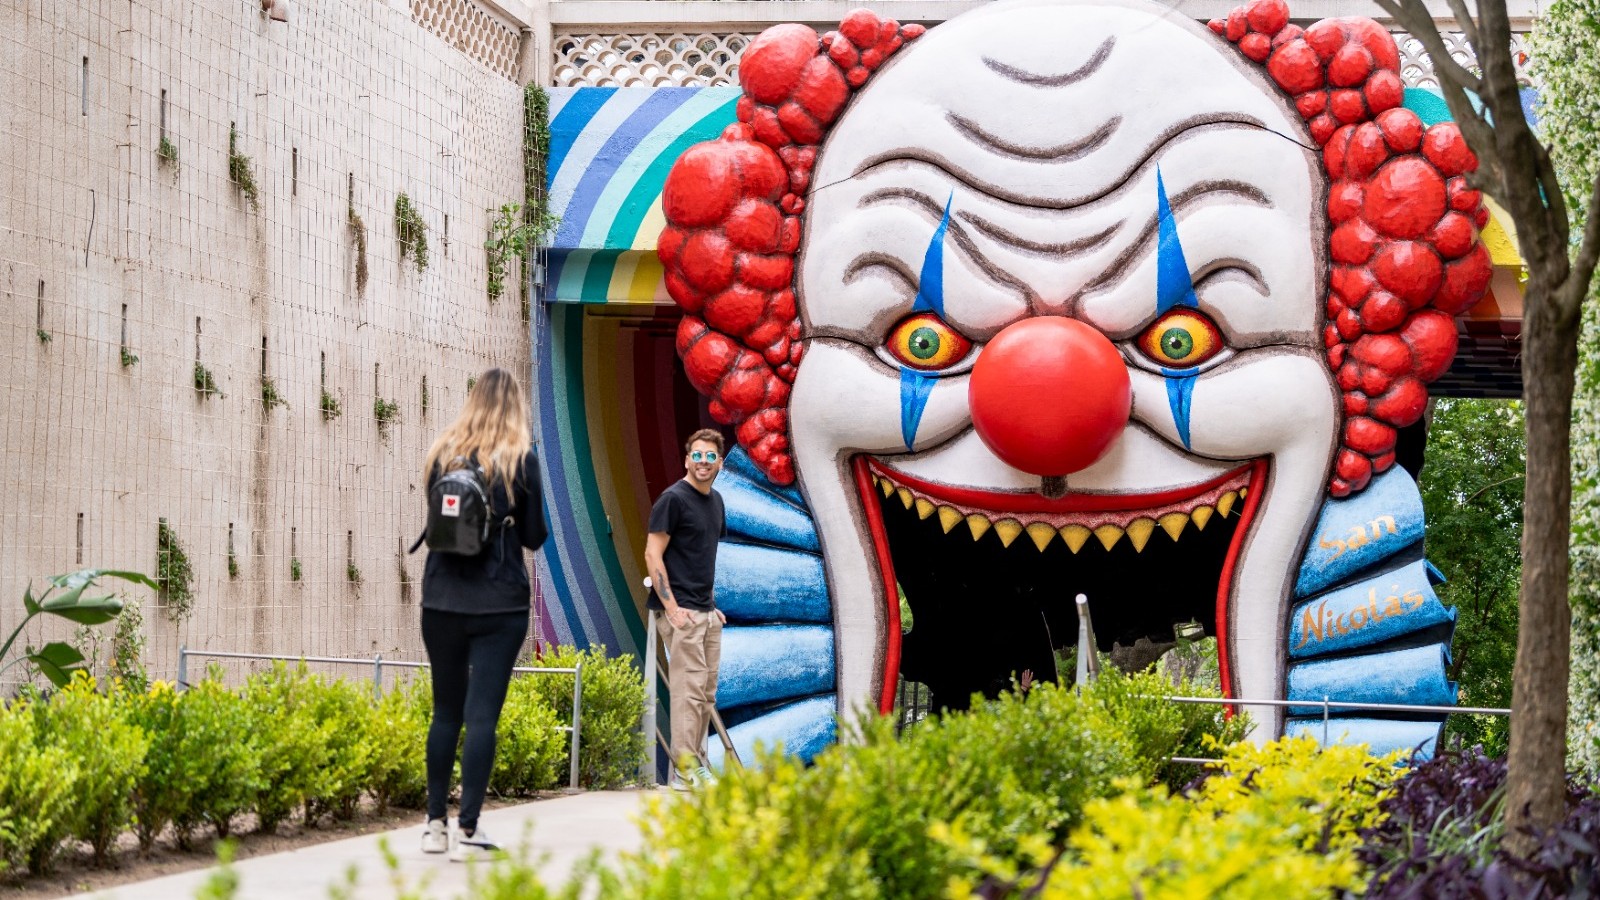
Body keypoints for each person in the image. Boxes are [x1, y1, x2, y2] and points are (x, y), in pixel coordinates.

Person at [417, 368, 548, 861]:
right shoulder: (521, 459)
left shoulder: (441, 454)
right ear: (515, 406)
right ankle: (468, 829)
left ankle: (434, 825)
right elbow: (534, 537)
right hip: (499, 604)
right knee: (482, 717)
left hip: (441, 599)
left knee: (445, 712)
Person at [644, 428, 728, 789]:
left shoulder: (716, 502)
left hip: (705, 613)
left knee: (705, 693)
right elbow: (653, 554)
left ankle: (696, 766)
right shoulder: (672, 500)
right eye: (697, 455)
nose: (703, 462)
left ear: (719, 463)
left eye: (710, 456)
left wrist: (712, 607)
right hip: (682, 615)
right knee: (688, 691)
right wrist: (674, 609)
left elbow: (699, 558)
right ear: (686, 459)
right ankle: (684, 769)